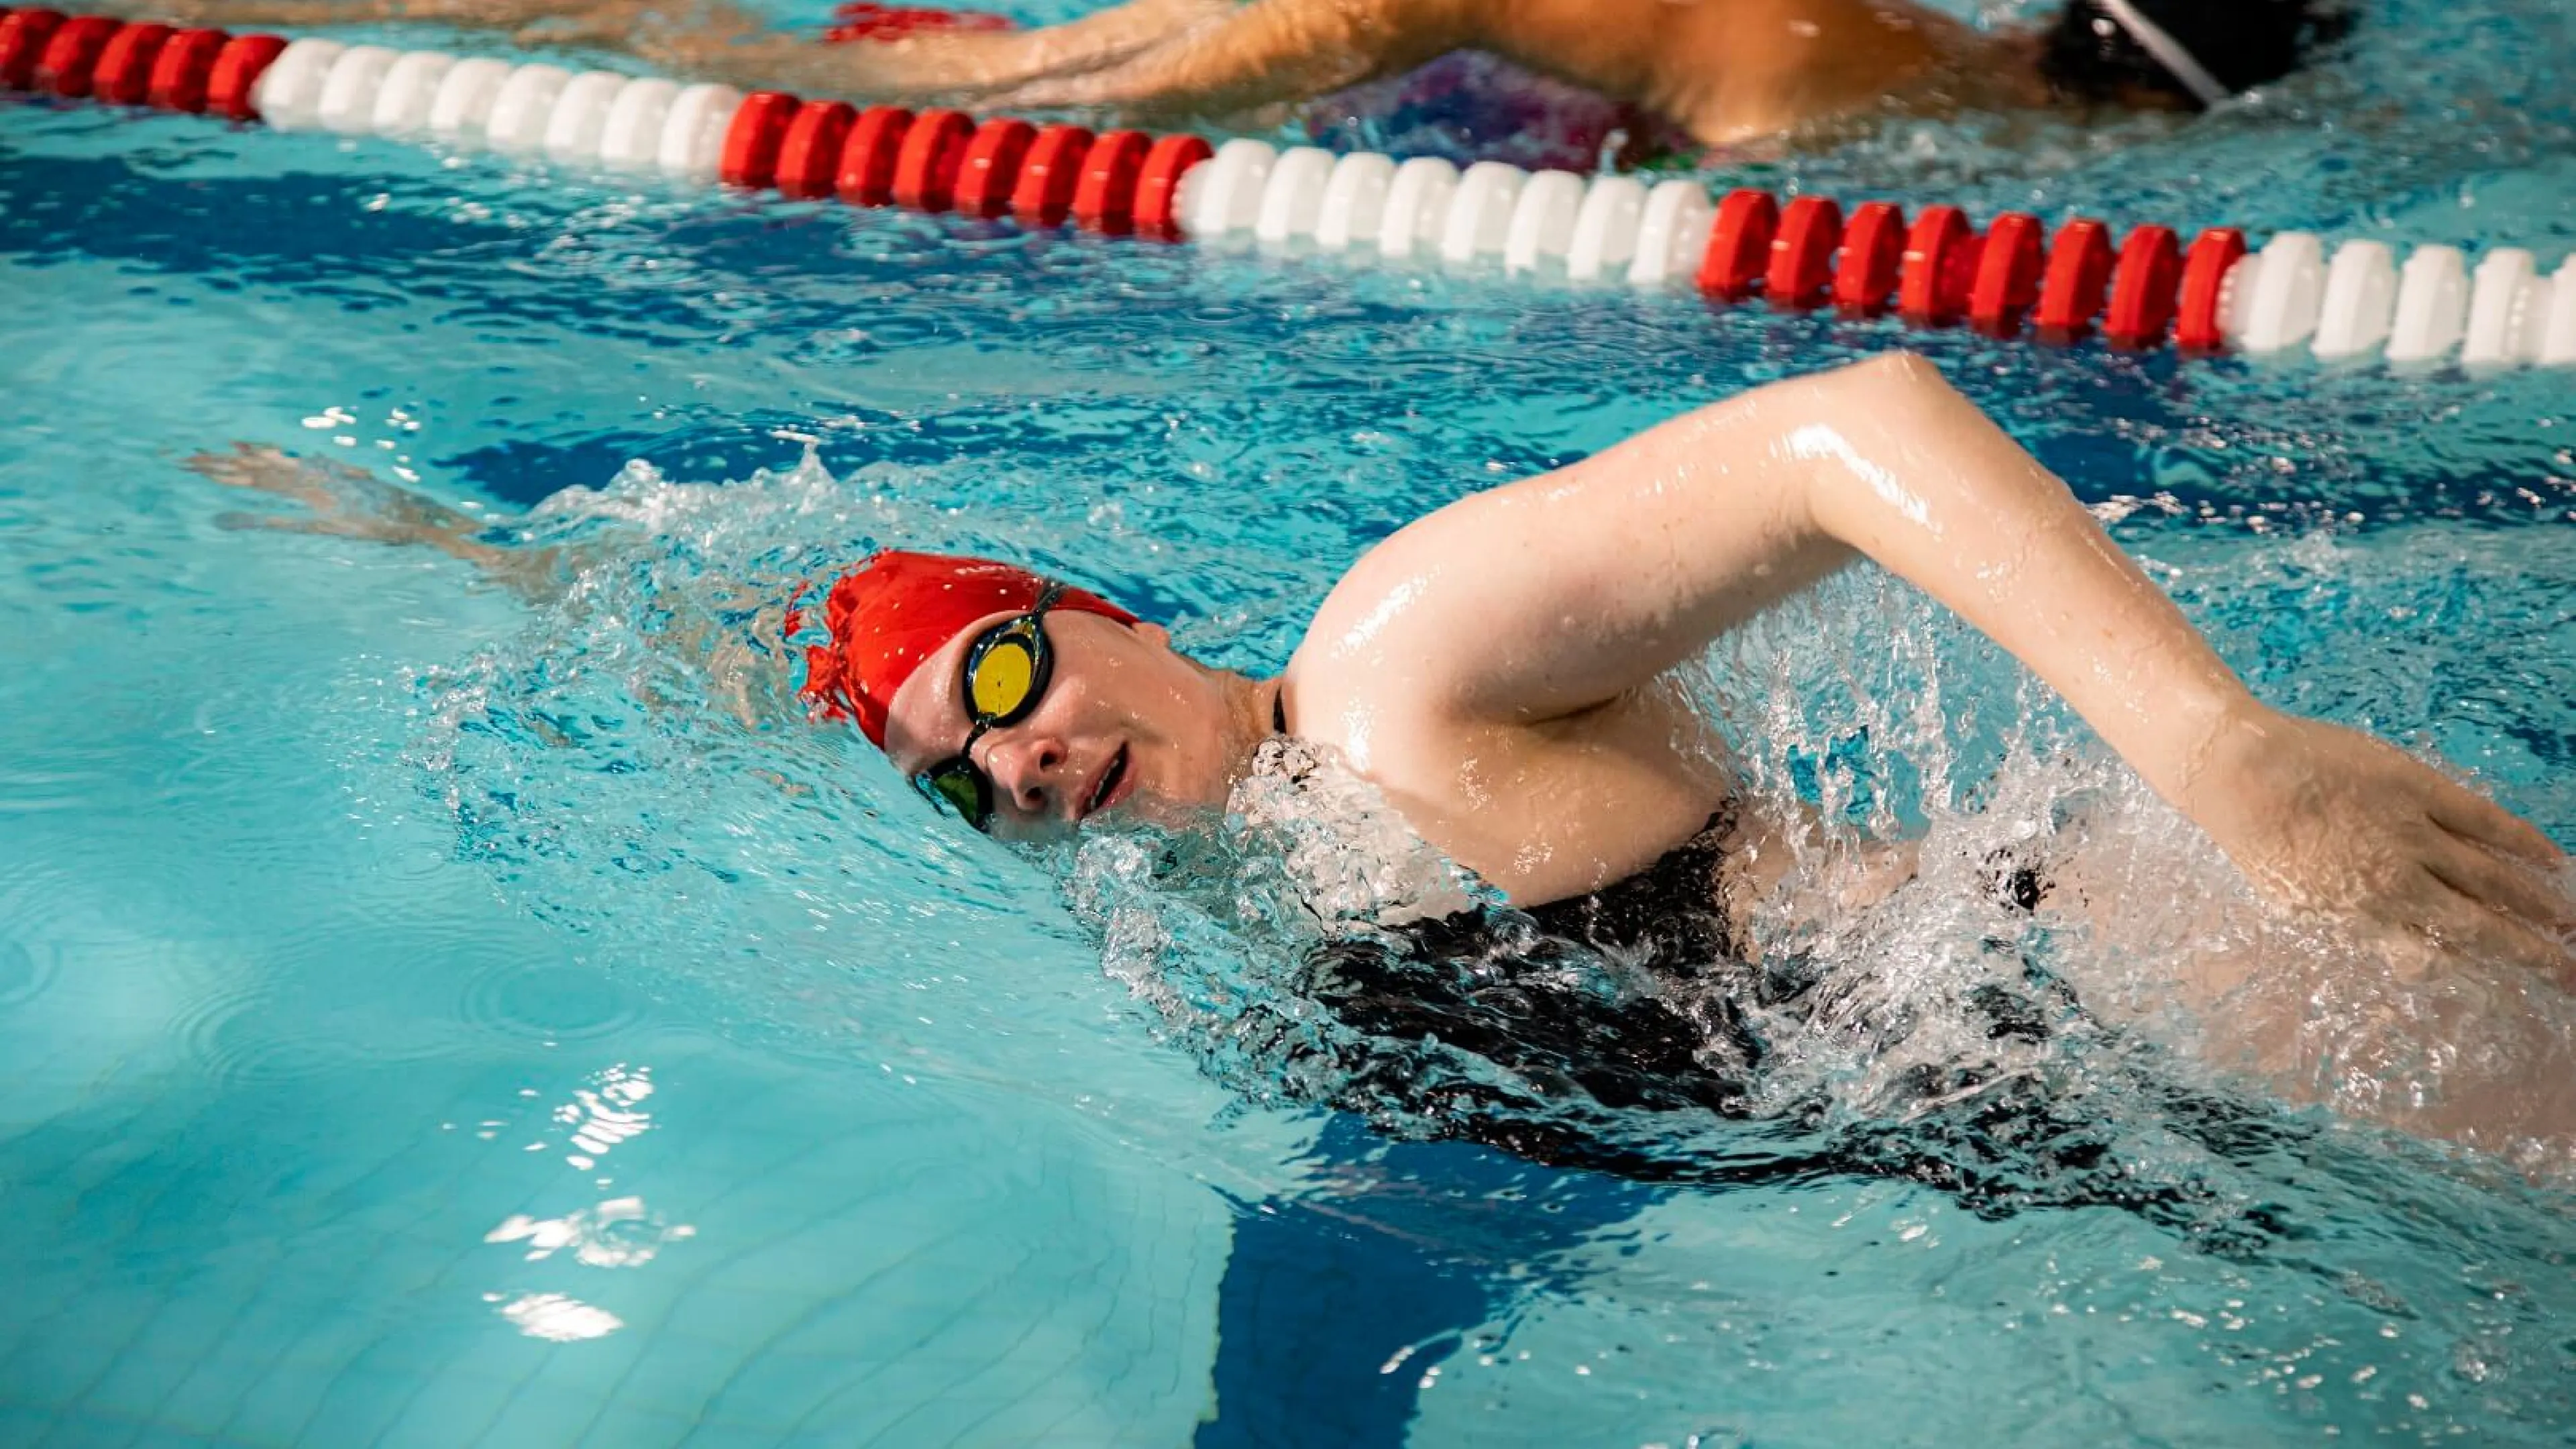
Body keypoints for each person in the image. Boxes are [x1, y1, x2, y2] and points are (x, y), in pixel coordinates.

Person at [195, 352, 2576, 1176]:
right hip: (2072, 1123)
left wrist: (2232, 752)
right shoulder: (1245, 870)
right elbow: (732, 665)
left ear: (1104, 617)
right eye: (954, 783)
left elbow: (1850, 433)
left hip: (2148, 957)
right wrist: (445, 559)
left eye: (1006, 691)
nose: (1004, 774)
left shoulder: (1391, 669)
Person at [146, 0, 2355, 151]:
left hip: (1420, 45)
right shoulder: (1843, 90)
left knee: (994, 77)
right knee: (1002, 112)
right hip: (1390, 20)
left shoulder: (1907, 60)